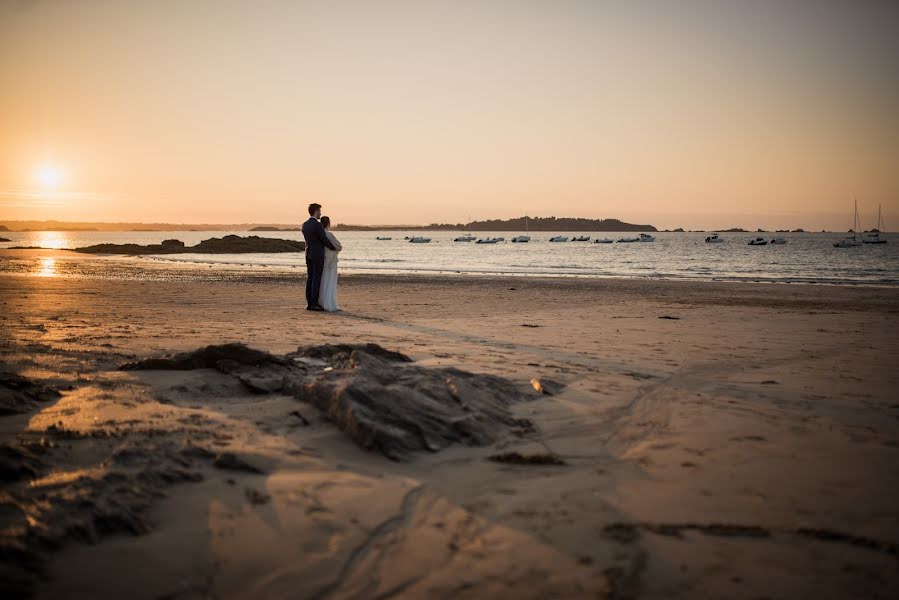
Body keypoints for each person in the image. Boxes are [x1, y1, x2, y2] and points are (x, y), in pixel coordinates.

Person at [301, 203, 336, 311]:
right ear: (316, 211)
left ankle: (309, 303)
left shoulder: (304, 225)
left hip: (308, 253)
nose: (320, 213)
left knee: (310, 278)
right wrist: (333, 247)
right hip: (317, 255)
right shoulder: (317, 225)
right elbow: (323, 239)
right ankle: (315, 303)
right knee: (316, 279)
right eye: (319, 211)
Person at [318, 216, 342, 311]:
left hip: (323, 260)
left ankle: (322, 302)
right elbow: (339, 246)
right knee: (330, 281)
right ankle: (329, 303)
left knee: (323, 281)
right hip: (331, 261)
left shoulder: (319, 234)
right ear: (328, 223)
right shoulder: (329, 234)